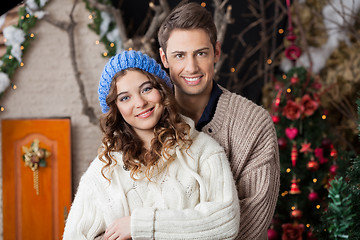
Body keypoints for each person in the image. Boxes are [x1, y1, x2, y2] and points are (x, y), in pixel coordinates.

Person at [62, 50, 240, 240]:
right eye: (125, 98)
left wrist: (141, 225)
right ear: (116, 109)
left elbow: (226, 222)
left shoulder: (204, 150)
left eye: (146, 89)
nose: (140, 102)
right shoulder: (104, 170)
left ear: (161, 90)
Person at [157, 2, 280, 239]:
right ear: (164, 58)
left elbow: (253, 221)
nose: (191, 67)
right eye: (179, 56)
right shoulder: (147, 118)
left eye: (201, 53)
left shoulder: (255, 123)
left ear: (217, 52)